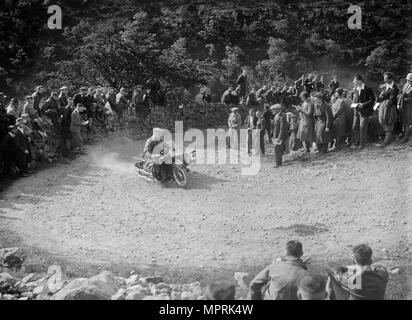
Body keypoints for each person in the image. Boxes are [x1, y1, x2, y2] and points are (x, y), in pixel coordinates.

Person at [351, 74, 376, 150]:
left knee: (362, 128)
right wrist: (352, 104)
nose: (353, 82)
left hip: (365, 112)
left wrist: (363, 105)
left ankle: (362, 144)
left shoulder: (368, 89)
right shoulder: (355, 89)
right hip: (356, 111)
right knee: (354, 127)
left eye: (354, 80)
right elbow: (354, 100)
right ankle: (357, 141)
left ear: (360, 81)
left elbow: (372, 100)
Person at [376, 72, 399, 147]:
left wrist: (382, 100)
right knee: (384, 123)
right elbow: (383, 96)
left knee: (389, 123)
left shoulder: (394, 88)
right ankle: (390, 137)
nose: (384, 80)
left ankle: (387, 141)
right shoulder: (386, 86)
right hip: (384, 107)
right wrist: (379, 99)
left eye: (385, 78)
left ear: (390, 79)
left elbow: (391, 101)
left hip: (391, 108)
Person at [398, 73, 412, 143]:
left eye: (409, 80)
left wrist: (408, 99)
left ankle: (406, 137)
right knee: (403, 120)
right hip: (403, 105)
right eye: (407, 80)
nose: (408, 81)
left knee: (408, 122)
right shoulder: (406, 85)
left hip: (410, 107)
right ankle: (403, 134)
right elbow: (401, 93)